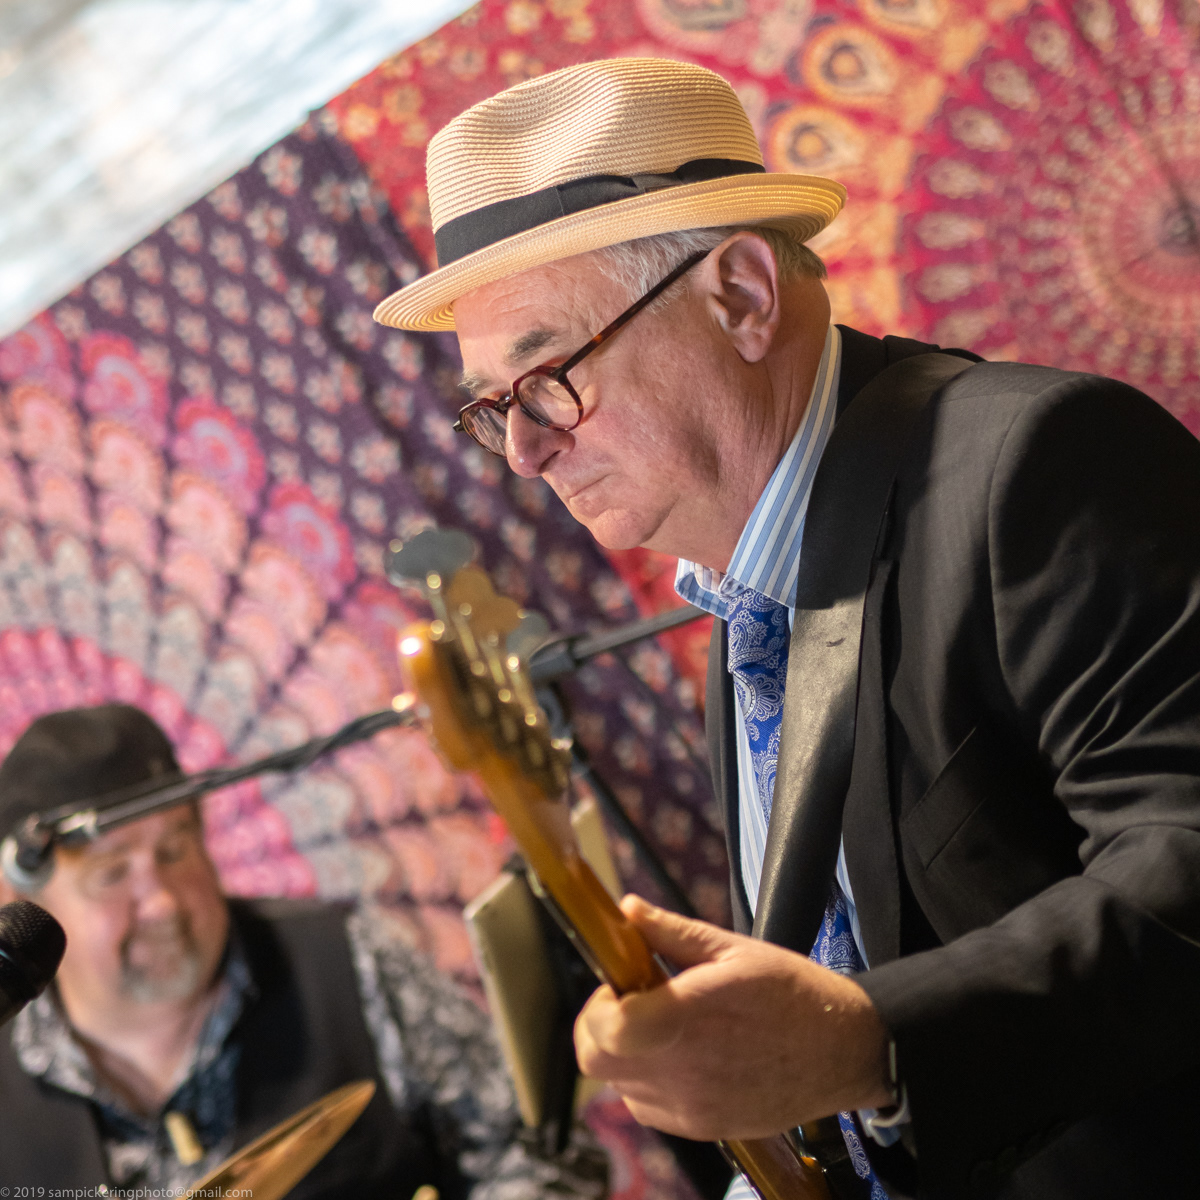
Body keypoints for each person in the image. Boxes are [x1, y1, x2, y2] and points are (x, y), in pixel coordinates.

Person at [372, 56, 1200, 1200]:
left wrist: (864, 1043)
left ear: (744, 297)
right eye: (490, 408)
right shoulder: (743, 588)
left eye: (548, 375)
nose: (523, 450)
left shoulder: (1036, 462)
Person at [0, 704, 606, 1200]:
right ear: (18, 898)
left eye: (175, 849)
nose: (161, 902)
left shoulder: (350, 961)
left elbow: (545, 1156)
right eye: (111, 874)